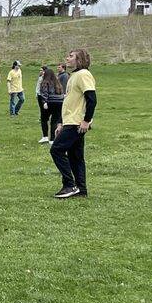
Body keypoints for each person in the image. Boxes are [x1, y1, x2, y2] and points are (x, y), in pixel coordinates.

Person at [51, 48, 97, 199]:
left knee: (56, 150)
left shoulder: (84, 74)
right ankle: (81, 190)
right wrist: (60, 123)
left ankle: (69, 185)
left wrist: (86, 120)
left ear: (79, 59)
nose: (67, 58)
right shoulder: (74, 75)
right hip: (70, 121)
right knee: (75, 157)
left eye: (71, 56)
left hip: (76, 122)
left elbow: (92, 99)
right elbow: (68, 102)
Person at [37, 66, 64, 144]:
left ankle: (45, 137)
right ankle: (52, 139)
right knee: (54, 120)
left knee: (44, 119)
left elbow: (44, 93)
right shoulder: (57, 83)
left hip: (50, 102)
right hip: (59, 102)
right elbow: (61, 92)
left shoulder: (45, 82)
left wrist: (44, 102)